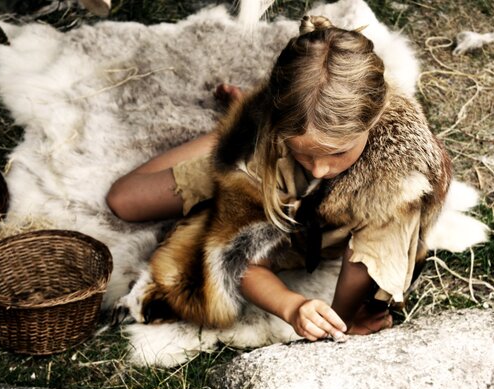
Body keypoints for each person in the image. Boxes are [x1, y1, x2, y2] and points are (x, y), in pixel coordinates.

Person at [107, 15, 451, 341]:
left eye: (336, 153)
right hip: (262, 150)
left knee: (368, 251)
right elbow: (241, 258)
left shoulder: (400, 178)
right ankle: (234, 124)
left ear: (372, 120)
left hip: (335, 218)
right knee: (123, 200)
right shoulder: (272, 144)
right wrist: (293, 304)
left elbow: (365, 276)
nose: (318, 169)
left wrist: (335, 318)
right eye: (306, 153)